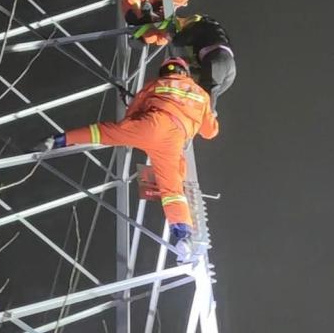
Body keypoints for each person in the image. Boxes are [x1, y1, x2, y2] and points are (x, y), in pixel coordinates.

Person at [41, 57, 218, 263]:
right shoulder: (201, 94)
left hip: (152, 124)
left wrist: (131, 126)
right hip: (175, 138)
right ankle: (183, 237)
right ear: (185, 71)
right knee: (172, 190)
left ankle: (59, 139)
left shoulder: (156, 84)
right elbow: (210, 131)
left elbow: (132, 112)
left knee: (107, 132)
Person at [131, 13, 236, 112]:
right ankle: (192, 114)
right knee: (200, 92)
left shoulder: (199, 26)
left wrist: (171, 35)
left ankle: (204, 117)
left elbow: (179, 40)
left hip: (217, 61)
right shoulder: (213, 29)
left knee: (205, 97)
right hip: (228, 66)